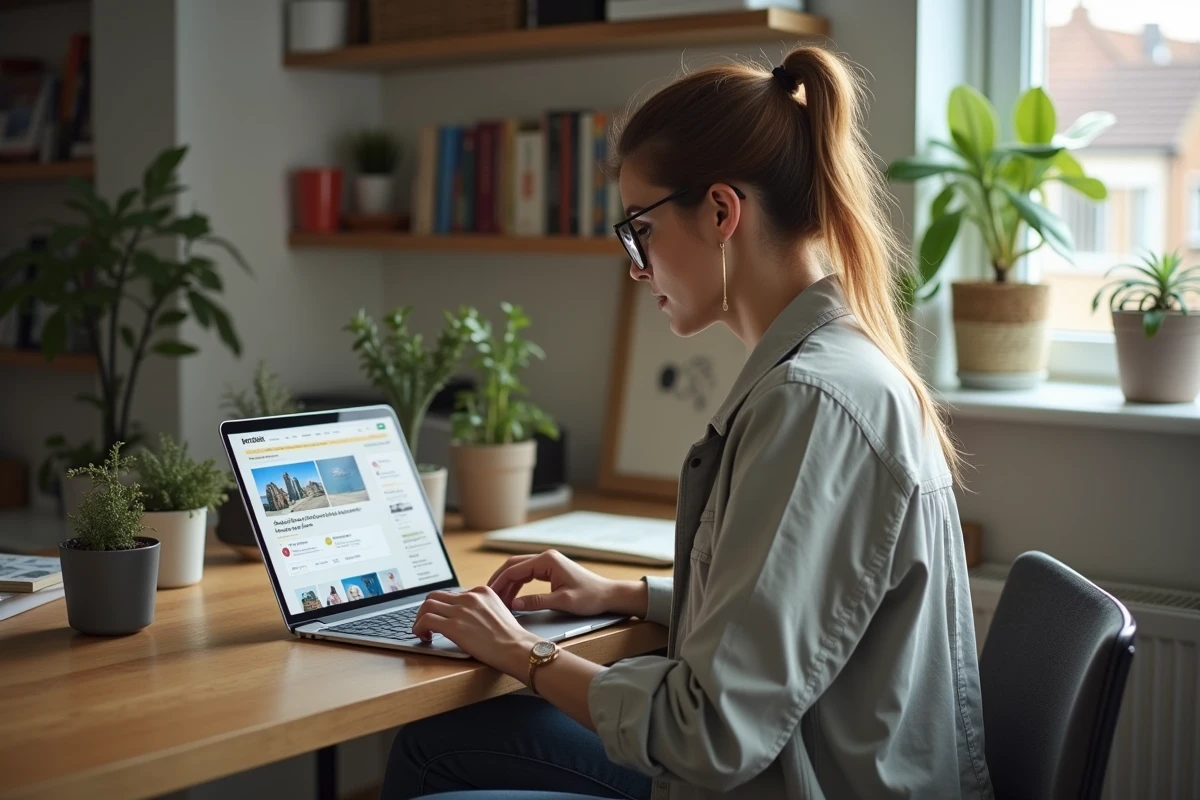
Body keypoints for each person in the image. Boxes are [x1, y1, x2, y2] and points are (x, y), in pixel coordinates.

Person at [383, 44, 992, 800]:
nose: (636, 266)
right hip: (799, 759)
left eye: (639, 228)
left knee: (430, 758)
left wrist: (520, 653)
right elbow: (795, 614)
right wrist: (628, 597)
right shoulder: (833, 367)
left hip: (787, 778)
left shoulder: (810, 403)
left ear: (720, 210)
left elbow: (708, 734)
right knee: (445, 740)